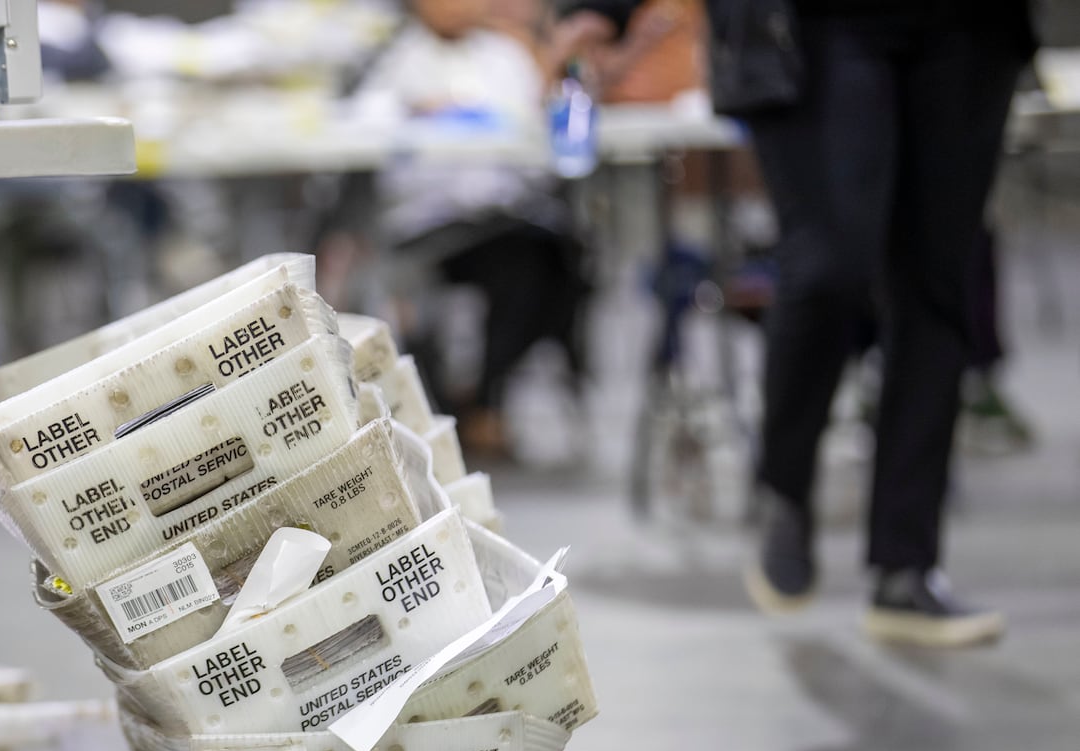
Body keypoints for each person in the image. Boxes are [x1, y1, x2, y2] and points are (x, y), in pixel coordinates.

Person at [555, 0, 1036, 647]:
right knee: (828, 265)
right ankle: (784, 482)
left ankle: (906, 568)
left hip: (966, 27)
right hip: (813, 25)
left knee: (938, 284)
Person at [359, 0, 589, 456]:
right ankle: (481, 404)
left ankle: (481, 398)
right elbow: (366, 130)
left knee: (567, 264)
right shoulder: (396, 60)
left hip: (507, 214)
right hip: (432, 223)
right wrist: (422, 114)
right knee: (522, 268)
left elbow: (536, 145)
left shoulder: (508, 57)